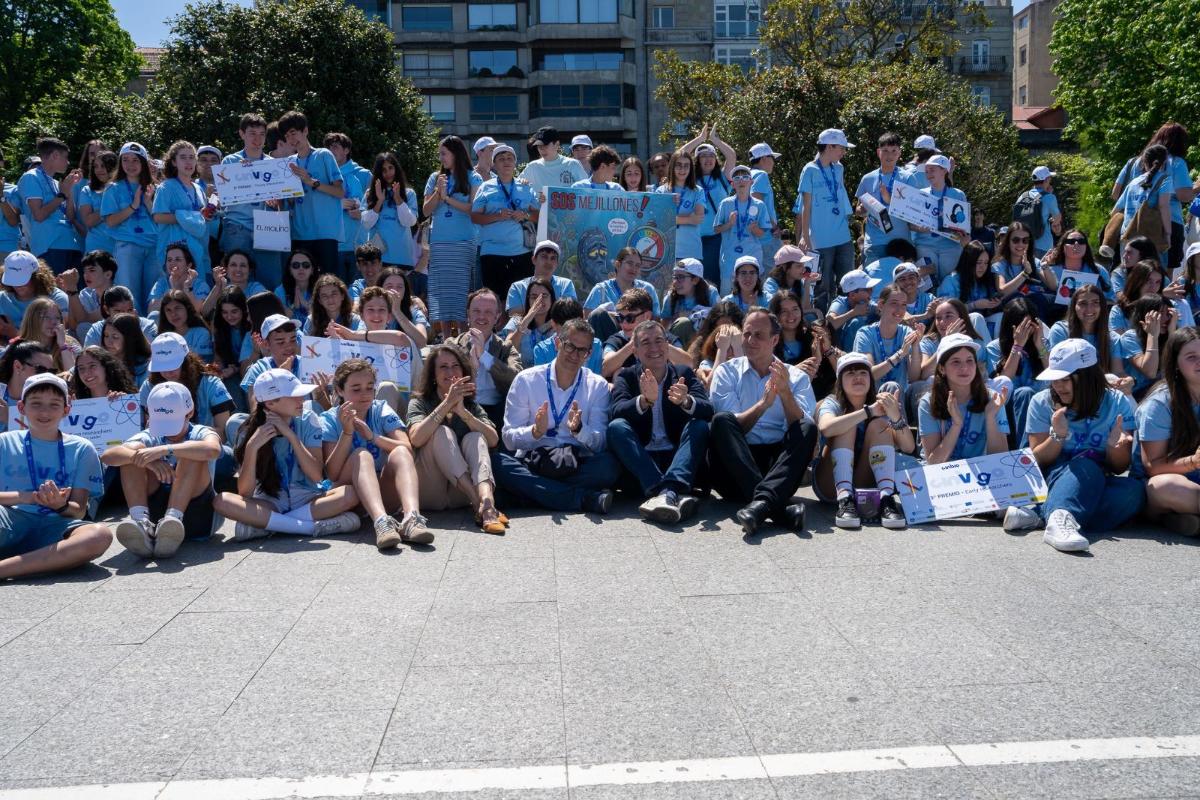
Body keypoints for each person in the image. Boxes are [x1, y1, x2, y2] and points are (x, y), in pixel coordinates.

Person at [1004, 339, 1142, 553]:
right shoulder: (1041, 401)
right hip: (1053, 475)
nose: (1057, 386)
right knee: (1086, 466)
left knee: (1133, 492)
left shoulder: (1117, 402)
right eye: (1054, 379)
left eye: (1065, 379)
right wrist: (1057, 436)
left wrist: (1114, 447)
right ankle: (1060, 518)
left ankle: (1040, 514)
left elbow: (1118, 467)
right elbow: (1037, 460)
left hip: (1097, 479)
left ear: (1088, 377)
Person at [214, 368, 363, 541]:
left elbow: (316, 476)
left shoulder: (308, 419)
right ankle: (309, 528)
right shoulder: (248, 431)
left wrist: (291, 436)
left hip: (308, 498)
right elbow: (245, 492)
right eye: (294, 396)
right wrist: (251, 448)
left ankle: (270, 526)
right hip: (271, 501)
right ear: (270, 403)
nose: (301, 400)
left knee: (350, 494)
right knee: (222, 501)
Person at [708, 309, 817, 534]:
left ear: (774, 340)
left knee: (807, 426)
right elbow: (730, 428)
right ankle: (777, 509)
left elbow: (801, 430)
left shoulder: (796, 377)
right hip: (735, 465)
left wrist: (785, 393)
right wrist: (762, 406)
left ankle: (761, 505)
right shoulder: (726, 372)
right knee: (721, 421)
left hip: (777, 468)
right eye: (747, 334)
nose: (750, 340)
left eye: (758, 335)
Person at [495, 317, 620, 513]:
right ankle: (584, 499)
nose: (575, 355)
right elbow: (509, 439)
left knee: (608, 466)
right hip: (534, 460)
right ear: (557, 343)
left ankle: (529, 495)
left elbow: (600, 442)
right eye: (570, 346)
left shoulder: (597, 385)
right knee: (498, 463)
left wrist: (580, 430)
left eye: (582, 351)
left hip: (576, 462)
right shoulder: (526, 380)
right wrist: (534, 432)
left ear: (589, 354)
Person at [0, 373, 112, 580]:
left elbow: (79, 511)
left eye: (54, 405)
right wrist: (27, 497)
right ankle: (39, 562)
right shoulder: (4, 442)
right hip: (10, 518)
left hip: (57, 524)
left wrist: (60, 505)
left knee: (99, 535)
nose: (45, 412)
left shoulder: (82, 448)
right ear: (22, 408)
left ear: (66, 410)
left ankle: (5, 568)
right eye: (36, 404)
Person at [608, 319, 712, 523]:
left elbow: (708, 409)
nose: (654, 348)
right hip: (643, 461)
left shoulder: (683, 374)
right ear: (635, 351)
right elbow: (615, 411)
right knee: (616, 427)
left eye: (659, 341)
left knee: (699, 425)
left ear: (667, 345)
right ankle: (670, 492)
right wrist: (644, 400)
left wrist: (686, 401)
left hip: (677, 459)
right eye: (646, 343)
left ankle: (665, 492)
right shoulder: (626, 376)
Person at [320, 358, 431, 549]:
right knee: (362, 455)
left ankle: (412, 519)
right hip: (350, 497)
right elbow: (333, 474)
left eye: (370, 388)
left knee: (400, 452)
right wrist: (347, 433)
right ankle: (381, 523)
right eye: (356, 389)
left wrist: (373, 436)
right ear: (339, 390)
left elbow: (407, 448)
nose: (365, 394)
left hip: (383, 492)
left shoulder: (380, 409)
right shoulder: (329, 419)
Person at [103, 381, 221, 557]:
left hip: (198, 513)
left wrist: (165, 450)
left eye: (172, 423)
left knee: (192, 451)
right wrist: (147, 460)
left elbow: (213, 450)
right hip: (157, 513)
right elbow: (108, 456)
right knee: (133, 455)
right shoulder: (150, 435)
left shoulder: (201, 432)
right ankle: (142, 522)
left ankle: (173, 519)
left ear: (190, 413)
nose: (168, 431)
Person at [407, 345, 507, 533]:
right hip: (430, 490)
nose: (450, 372)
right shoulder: (419, 402)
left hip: (459, 495)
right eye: (443, 367)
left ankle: (486, 501)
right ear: (433, 375)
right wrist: (447, 404)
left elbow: (493, 440)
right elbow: (416, 439)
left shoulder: (470, 405)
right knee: (442, 432)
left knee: (476, 436)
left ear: (463, 372)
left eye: (455, 366)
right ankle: (481, 504)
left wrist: (462, 412)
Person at [814, 352, 911, 529]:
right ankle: (845, 499)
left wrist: (895, 416)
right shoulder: (833, 402)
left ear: (870, 379)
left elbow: (908, 447)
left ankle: (886, 499)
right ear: (840, 381)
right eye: (850, 373)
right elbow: (826, 427)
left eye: (863, 373)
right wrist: (868, 412)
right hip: (830, 484)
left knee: (879, 425)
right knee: (847, 423)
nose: (858, 377)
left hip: (863, 484)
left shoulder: (881, 403)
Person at [1136, 327, 1200, 536]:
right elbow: (1153, 467)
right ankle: (1169, 515)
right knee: (1166, 486)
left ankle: (1181, 520)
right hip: (1163, 480)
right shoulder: (1159, 404)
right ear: (1176, 364)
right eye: (1191, 357)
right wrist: (1194, 461)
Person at [328, 285, 424, 418]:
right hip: (359, 408)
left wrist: (354, 335)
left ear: (389, 316)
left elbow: (399, 337)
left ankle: (383, 429)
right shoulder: (351, 344)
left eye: (381, 310)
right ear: (361, 315)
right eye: (371, 310)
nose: (376, 315)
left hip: (398, 410)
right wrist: (337, 344)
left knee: (386, 387)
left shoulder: (400, 341)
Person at [1112, 122, 1196, 272]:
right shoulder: (1176, 162)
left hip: (1131, 226)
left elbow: (1115, 194)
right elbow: (1184, 196)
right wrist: (1196, 188)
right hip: (1166, 224)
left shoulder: (1133, 162)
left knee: (1131, 273)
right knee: (1161, 275)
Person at [917, 333, 1009, 464]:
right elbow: (934, 462)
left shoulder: (993, 400)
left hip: (981, 470)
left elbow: (1001, 458)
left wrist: (990, 418)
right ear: (942, 369)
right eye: (956, 362)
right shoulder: (928, 402)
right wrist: (956, 425)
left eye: (970, 360)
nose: (964, 367)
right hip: (943, 472)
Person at [423, 135, 482, 339]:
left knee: (462, 291)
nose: (441, 158)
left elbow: (473, 208)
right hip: (439, 242)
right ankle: (447, 337)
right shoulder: (435, 178)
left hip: (464, 241)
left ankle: (464, 336)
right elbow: (426, 210)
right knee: (443, 292)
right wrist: (438, 194)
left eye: (444, 154)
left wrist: (447, 198)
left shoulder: (473, 177)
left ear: (456, 153)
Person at [219, 113, 282, 289]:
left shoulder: (274, 164)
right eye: (252, 133)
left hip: (268, 228)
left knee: (270, 280)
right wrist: (241, 175)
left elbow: (283, 202)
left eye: (262, 134)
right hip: (237, 227)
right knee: (235, 282)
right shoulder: (230, 161)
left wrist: (277, 201)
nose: (257, 139)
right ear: (242, 134)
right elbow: (224, 198)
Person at [278, 111, 345, 274]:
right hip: (300, 235)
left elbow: (340, 192)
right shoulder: (289, 162)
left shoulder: (323, 155)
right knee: (302, 282)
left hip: (326, 234)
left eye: (293, 133)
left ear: (305, 131)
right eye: (287, 136)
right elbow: (289, 203)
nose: (291, 139)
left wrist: (312, 182)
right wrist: (288, 197)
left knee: (327, 282)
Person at [471, 144, 539, 301]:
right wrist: (497, 216)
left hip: (522, 252)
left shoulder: (525, 186)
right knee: (494, 299)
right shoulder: (485, 187)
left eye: (510, 158)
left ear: (515, 162)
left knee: (521, 299)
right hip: (492, 252)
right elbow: (475, 217)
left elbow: (538, 215)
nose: (506, 162)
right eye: (501, 159)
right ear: (494, 164)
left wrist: (525, 215)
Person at [446, 289, 521, 428]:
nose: (481, 317)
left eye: (488, 312)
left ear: (497, 317)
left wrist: (484, 356)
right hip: (459, 408)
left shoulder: (506, 348)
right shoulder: (452, 345)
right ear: (468, 314)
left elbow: (516, 381)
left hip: (495, 412)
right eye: (476, 311)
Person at [796, 129, 855, 306]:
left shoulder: (839, 168)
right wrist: (805, 236)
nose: (844, 152)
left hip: (843, 236)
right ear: (829, 146)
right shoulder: (810, 169)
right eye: (841, 148)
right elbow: (805, 206)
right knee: (822, 285)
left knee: (848, 283)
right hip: (820, 239)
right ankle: (821, 320)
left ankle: (846, 316)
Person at [17, 138, 83, 273]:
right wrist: (62, 195)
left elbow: (70, 216)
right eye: (65, 157)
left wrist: (70, 189)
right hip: (50, 246)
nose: (68, 162)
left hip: (72, 244)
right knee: (54, 287)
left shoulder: (56, 182)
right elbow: (39, 215)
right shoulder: (31, 177)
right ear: (55, 155)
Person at [988, 297, 1047, 446]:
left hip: (1039, 404)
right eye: (1022, 326)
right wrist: (1017, 346)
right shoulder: (994, 348)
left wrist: (1040, 346)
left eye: (1029, 325)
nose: (1026, 331)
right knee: (1025, 393)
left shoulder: (1041, 344)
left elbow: (1053, 374)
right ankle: (1026, 450)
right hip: (1008, 406)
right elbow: (1003, 381)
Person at [151, 141, 214, 281]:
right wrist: (189, 218)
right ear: (174, 162)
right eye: (183, 157)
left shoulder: (198, 188)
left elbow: (201, 218)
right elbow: (158, 217)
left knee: (198, 288)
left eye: (191, 157)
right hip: (175, 251)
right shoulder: (166, 187)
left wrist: (205, 214)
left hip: (198, 248)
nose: (188, 162)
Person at [852, 285, 924, 398]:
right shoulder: (865, 334)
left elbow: (913, 378)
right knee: (891, 386)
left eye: (903, 304)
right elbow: (869, 375)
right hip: (873, 398)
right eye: (894, 303)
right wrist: (899, 354)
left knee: (922, 386)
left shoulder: (907, 332)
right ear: (881, 305)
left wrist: (915, 347)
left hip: (900, 398)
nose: (900, 309)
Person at [855, 132, 914, 264]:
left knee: (901, 278)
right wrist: (863, 209)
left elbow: (912, 212)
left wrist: (890, 200)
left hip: (900, 243)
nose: (889, 155)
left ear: (899, 153)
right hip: (875, 243)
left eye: (894, 151)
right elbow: (858, 210)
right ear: (878, 152)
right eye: (885, 150)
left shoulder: (908, 178)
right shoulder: (867, 178)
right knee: (874, 277)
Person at [689, 130, 738, 287]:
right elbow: (678, 157)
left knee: (715, 279)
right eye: (703, 156)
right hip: (695, 238)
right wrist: (700, 139)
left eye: (711, 155)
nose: (708, 159)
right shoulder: (689, 180)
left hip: (718, 236)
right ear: (696, 160)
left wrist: (714, 140)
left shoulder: (722, 178)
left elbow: (731, 156)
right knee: (697, 280)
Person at [713, 165, 768, 295]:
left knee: (753, 296)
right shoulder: (726, 204)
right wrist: (729, 224)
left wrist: (755, 229)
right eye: (737, 178)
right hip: (729, 260)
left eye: (745, 177)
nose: (741, 180)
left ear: (751, 182)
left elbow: (762, 234)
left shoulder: (759, 205)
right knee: (728, 297)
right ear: (732, 184)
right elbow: (716, 229)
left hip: (752, 258)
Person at [324, 132, 371, 285]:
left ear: (346, 150)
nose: (331, 151)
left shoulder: (364, 175)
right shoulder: (323, 176)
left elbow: (375, 208)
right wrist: (338, 205)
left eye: (335, 147)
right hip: (332, 245)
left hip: (358, 245)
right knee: (336, 291)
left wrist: (361, 212)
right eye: (329, 148)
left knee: (359, 291)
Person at [771, 290, 837, 397]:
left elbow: (840, 372)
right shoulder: (770, 344)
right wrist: (794, 370)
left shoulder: (814, 335)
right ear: (776, 315)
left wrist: (827, 351)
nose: (791, 315)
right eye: (784, 311)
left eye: (795, 309)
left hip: (821, 397)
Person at [364, 151, 420, 276]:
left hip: (401, 257)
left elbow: (410, 222)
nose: (388, 173)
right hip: (377, 258)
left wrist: (398, 199)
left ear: (396, 168)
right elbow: (366, 224)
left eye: (390, 168)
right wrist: (379, 201)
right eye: (383, 170)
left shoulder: (409, 193)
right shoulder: (370, 193)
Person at [1048, 283, 1122, 375]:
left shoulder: (1111, 338)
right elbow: (1057, 371)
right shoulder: (1061, 331)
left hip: (1102, 383)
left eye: (1095, 302)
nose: (1089, 309)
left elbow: (1118, 372)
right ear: (1074, 306)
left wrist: (1128, 380)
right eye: (1083, 303)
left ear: (1102, 307)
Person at [1115, 144, 1173, 259]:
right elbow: (1164, 207)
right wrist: (1168, 234)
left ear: (1145, 162)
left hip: (1127, 235)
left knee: (1129, 269)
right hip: (1150, 237)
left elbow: (1116, 210)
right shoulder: (1165, 179)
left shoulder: (1133, 183)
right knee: (1152, 269)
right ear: (1164, 162)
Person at [992, 220, 1058, 320]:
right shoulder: (999, 265)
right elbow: (1002, 291)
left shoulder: (1034, 261)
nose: (1020, 244)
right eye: (1016, 240)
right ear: (1008, 242)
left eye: (1025, 240)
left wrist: (1045, 266)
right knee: (1020, 297)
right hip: (1010, 308)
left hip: (1033, 305)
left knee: (1046, 299)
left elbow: (1053, 286)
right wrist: (1025, 273)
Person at [0, 250, 71, 337]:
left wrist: (14, 334)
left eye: (21, 280)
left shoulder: (57, 298)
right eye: (13, 279)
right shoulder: (1, 298)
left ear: (37, 277)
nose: (17, 285)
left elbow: (58, 337)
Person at [1119, 293, 1176, 399]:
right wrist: (1152, 335)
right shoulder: (1130, 337)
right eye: (1159, 314)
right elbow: (1150, 372)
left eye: (1168, 313)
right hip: (1137, 394)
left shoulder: (1168, 335)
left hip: (1161, 390)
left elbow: (1175, 369)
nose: (1165, 318)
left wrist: (1172, 332)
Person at [1040, 229, 1116, 307]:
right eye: (1071, 241)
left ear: (1086, 246)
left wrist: (1092, 303)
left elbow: (1112, 300)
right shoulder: (1050, 270)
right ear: (1063, 246)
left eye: (1081, 241)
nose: (1076, 244)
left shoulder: (1099, 270)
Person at [505, 240, 576, 317]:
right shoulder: (517, 288)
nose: (548, 262)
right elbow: (515, 318)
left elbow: (569, 315)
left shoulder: (566, 285)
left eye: (553, 258)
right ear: (534, 260)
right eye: (544, 256)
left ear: (557, 263)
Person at [583, 247, 661, 316]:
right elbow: (588, 320)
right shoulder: (600, 290)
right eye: (630, 263)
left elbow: (655, 321)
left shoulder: (647, 289)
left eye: (637, 265)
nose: (634, 268)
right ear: (617, 264)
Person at [532, 297, 604, 373]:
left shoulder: (596, 345)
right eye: (565, 329)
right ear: (553, 324)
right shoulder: (541, 350)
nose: (574, 355)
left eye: (582, 350)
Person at [657, 149, 705, 261]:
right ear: (672, 167)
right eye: (678, 165)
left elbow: (698, 218)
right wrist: (689, 219)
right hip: (666, 252)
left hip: (691, 251)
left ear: (691, 168)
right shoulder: (661, 191)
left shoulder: (698, 191)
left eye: (686, 166)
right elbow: (659, 220)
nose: (682, 169)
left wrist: (672, 218)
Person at [661, 258, 720, 346]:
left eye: (681, 277)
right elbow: (664, 324)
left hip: (705, 342)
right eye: (674, 277)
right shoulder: (671, 297)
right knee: (683, 322)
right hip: (678, 344)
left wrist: (690, 314)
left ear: (695, 280)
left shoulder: (711, 293)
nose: (675, 282)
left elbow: (719, 318)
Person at [517, 127, 587, 196]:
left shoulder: (572, 164)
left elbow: (587, 190)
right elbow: (516, 184)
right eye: (539, 146)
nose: (542, 149)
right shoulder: (532, 167)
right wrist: (521, 182)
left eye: (545, 145)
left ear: (557, 144)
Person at [0, 341, 54, 431]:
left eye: (52, 372)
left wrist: (10, 418)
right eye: (40, 369)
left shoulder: (52, 400)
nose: (47, 376)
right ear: (18, 366)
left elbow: (47, 434)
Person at [502, 276, 555, 367]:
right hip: (523, 373)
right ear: (528, 300)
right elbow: (507, 349)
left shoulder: (558, 323)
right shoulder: (516, 321)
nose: (539, 300)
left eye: (544, 296)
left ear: (552, 298)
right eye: (534, 297)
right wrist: (526, 321)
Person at [17, 297, 79, 373]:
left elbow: (73, 375)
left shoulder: (70, 343)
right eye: (46, 317)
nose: (54, 322)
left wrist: (63, 346)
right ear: (32, 320)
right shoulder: (19, 347)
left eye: (57, 318)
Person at [825, 269, 880, 351]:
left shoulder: (867, 302)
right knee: (857, 322)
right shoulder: (841, 302)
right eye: (868, 289)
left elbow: (881, 309)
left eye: (872, 288)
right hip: (841, 348)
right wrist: (854, 312)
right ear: (853, 295)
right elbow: (831, 322)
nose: (871, 291)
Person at [1016, 166, 1063, 259]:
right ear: (1046, 180)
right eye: (1049, 178)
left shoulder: (1023, 196)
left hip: (1023, 244)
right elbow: (1057, 219)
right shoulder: (1049, 197)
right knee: (1042, 268)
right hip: (1043, 245)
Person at [747, 142, 783, 266]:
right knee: (772, 272)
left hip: (753, 237)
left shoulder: (747, 175)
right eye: (772, 158)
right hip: (766, 237)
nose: (774, 162)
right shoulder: (761, 175)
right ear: (763, 158)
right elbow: (757, 201)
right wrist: (774, 227)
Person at [76, 150, 116, 257]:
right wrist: (109, 204)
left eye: (103, 166)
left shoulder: (124, 188)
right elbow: (88, 221)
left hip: (123, 248)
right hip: (96, 248)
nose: (98, 170)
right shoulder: (87, 190)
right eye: (96, 166)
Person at [275, 248, 318, 327]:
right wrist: (294, 306)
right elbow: (279, 321)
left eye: (306, 265)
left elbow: (323, 319)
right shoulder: (280, 291)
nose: (301, 268)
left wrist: (306, 306)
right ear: (290, 270)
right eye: (296, 265)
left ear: (312, 270)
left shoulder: (320, 289)